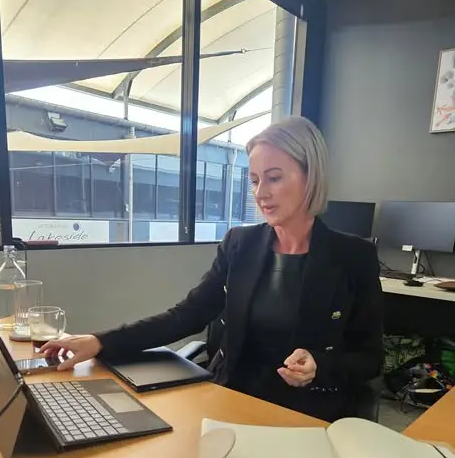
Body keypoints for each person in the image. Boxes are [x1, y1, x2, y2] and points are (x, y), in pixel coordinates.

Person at [41, 116, 384, 422]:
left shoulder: (354, 256)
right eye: (254, 180)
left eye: (274, 178)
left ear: (311, 177)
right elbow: (186, 315)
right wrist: (100, 341)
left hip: (303, 413)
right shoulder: (240, 244)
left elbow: (370, 359)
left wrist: (320, 366)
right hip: (229, 398)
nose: (260, 193)